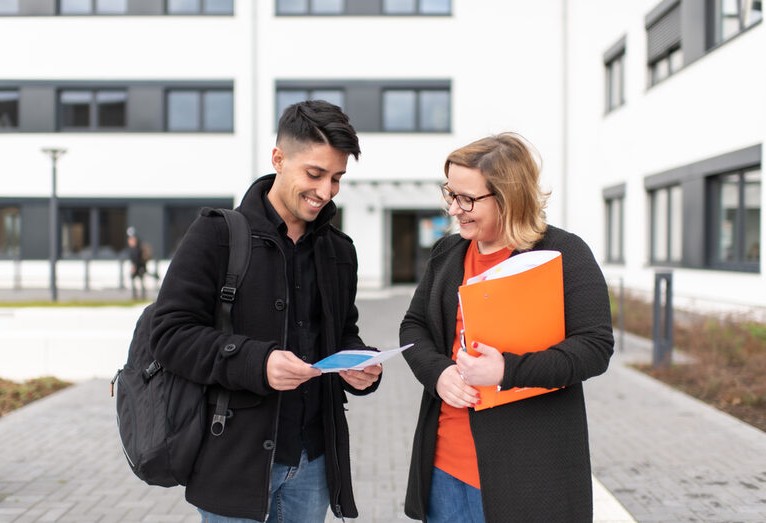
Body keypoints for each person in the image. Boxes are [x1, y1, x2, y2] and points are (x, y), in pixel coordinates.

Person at [149, 100, 382, 523]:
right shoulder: (216, 234)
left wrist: (359, 364)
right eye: (314, 174)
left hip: (313, 461)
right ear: (278, 158)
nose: (325, 192)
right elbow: (169, 335)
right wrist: (258, 362)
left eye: (337, 178)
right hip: (233, 462)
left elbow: (343, 331)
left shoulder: (339, 251)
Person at [400, 132, 614, 522]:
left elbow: (595, 348)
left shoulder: (563, 253)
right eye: (450, 193)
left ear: (509, 195)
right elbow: (414, 327)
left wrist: (506, 371)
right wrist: (439, 373)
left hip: (528, 474)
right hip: (445, 468)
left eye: (467, 199)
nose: (454, 209)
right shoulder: (448, 253)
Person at [126, 227, 147, 300]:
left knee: (139, 280)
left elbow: (136, 258)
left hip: (139, 266)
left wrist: (134, 266)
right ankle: (137, 295)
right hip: (139, 266)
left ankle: (139, 295)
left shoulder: (136, 248)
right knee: (138, 280)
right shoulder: (134, 248)